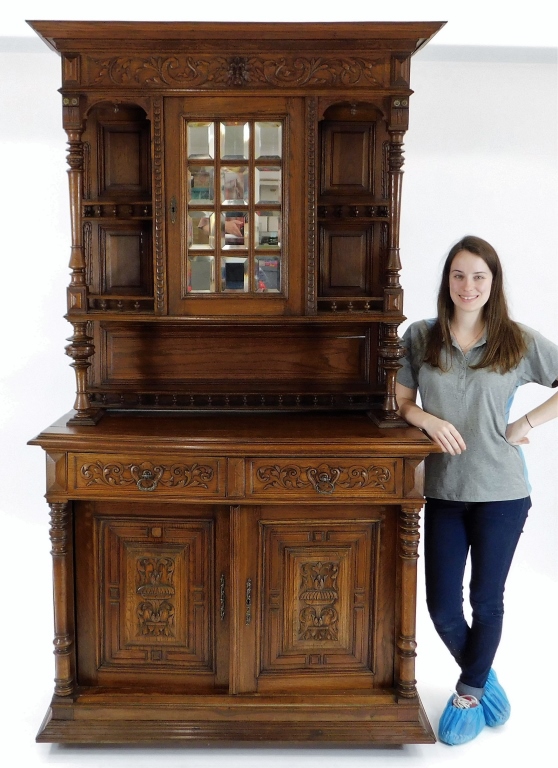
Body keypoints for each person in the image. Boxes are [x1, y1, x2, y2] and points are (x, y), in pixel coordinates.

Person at [395, 235, 558, 746]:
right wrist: (426, 418)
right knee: (442, 607)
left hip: (503, 493)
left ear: (493, 283)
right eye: (460, 275)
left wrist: (526, 421)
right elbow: (401, 402)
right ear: (448, 281)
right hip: (443, 490)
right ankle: (484, 676)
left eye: (479, 277)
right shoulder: (421, 337)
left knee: (486, 600)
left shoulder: (516, 340)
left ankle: (467, 692)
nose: (469, 286)